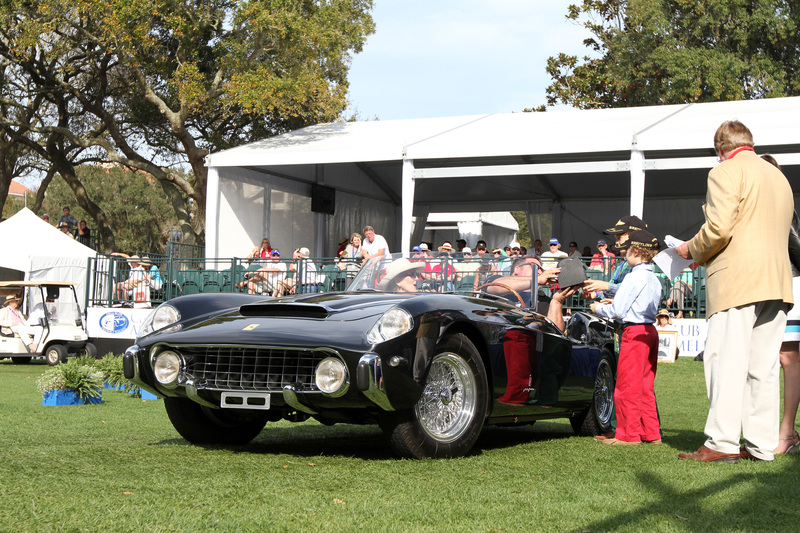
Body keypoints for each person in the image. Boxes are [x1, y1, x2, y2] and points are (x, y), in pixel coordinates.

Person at [676, 121, 794, 463]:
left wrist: (690, 250)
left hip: (737, 279)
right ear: (749, 142)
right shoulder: (778, 177)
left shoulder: (725, 171)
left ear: (720, 150)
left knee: (725, 360)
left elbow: (718, 228)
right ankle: (760, 445)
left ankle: (722, 442)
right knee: (764, 366)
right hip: (777, 279)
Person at [590, 230, 662, 446]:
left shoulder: (633, 277)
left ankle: (629, 435)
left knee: (627, 385)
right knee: (645, 385)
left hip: (634, 332)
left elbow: (619, 311)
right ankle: (651, 433)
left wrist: (597, 309)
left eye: (627, 251)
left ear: (636, 252)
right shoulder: (654, 278)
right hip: (649, 330)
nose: (624, 254)